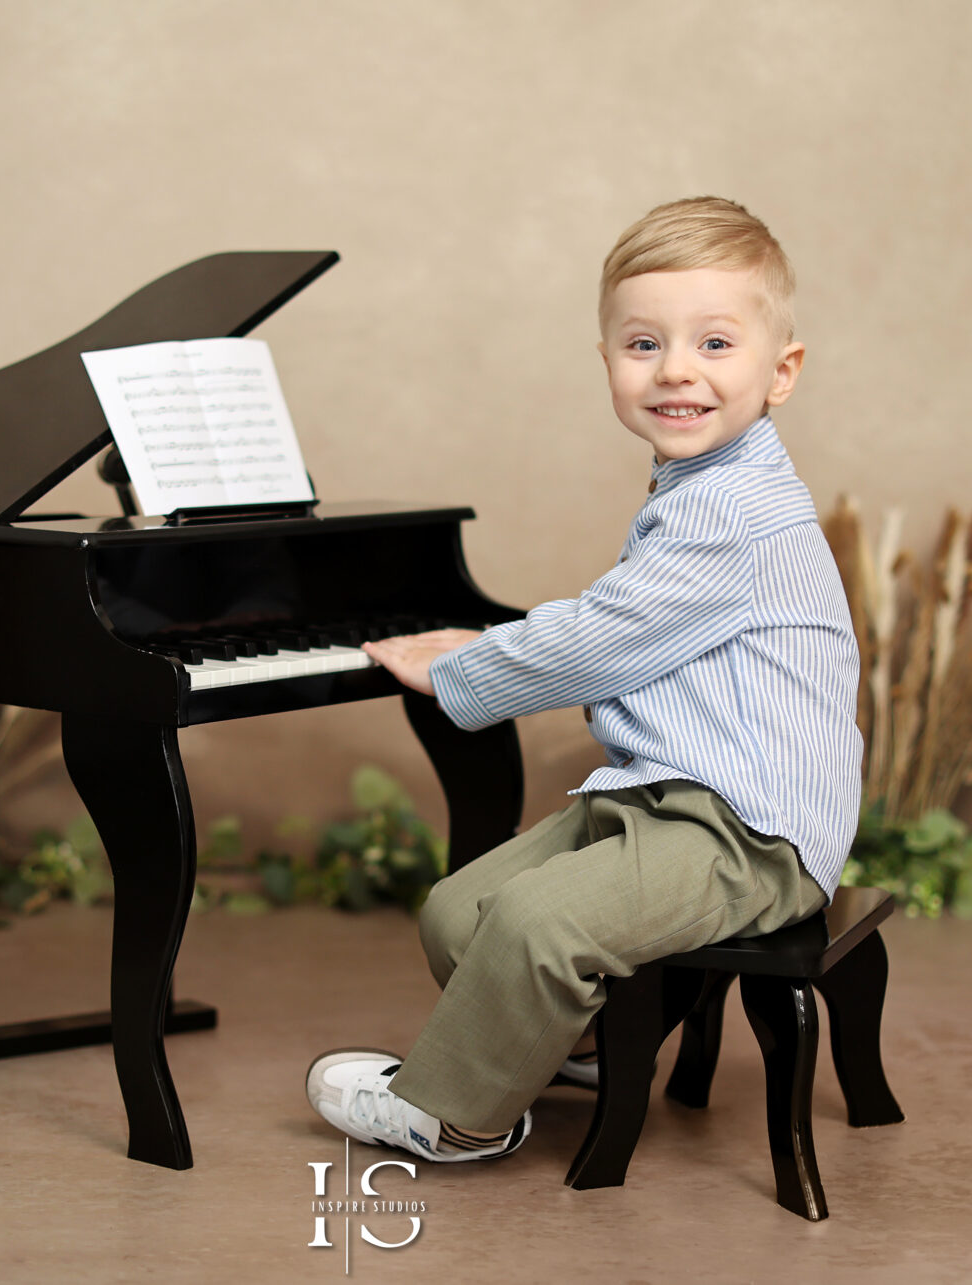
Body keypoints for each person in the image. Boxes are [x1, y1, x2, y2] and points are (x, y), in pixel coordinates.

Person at [303, 196, 863, 1162]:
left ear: (782, 373)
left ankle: (458, 1116)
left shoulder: (738, 510)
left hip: (748, 826)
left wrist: (465, 668)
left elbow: (601, 639)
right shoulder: (702, 485)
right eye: (643, 343)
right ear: (606, 359)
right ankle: (590, 1044)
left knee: (531, 920)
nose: (676, 369)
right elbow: (622, 617)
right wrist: (480, 640)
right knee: (457, 911)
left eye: (716, 343)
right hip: (667, 793)